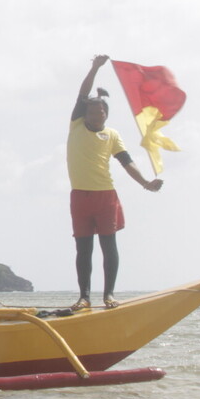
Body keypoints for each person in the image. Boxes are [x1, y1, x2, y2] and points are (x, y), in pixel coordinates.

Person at [68, 54, 164, 311]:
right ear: (84, 113)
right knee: (83, 248)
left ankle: (109, 295)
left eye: (101, 111)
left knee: (108, 246)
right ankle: (84, 297)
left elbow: (126, 161)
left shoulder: (112, 135)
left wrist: (145, 182)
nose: (97, 114)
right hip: (80, 196)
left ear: (106, 114)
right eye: (92, 110)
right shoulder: (77, 125)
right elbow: (83, 92)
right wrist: (95, 68)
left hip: (105, 196)